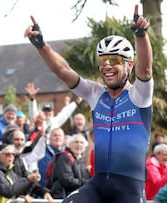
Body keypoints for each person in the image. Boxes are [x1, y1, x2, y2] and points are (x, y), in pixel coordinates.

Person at [24, 4, 152, 202]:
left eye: (114, 59)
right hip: (98, 184)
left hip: (129, 189)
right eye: (103, 61)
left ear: (129, 64)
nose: (107, 66)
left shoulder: (139, 95)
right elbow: (63, 71)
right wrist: (42, 45)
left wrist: (140, 35)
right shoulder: (95, 94)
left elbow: (145, 71)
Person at [50, 133, 90, 199]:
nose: (79, 145)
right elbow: (67, 181)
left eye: (81, 143)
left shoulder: (81, 161)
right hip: (63, 197)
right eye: (76, 142)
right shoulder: (64, 157)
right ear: (70, 145)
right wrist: (87, 182)